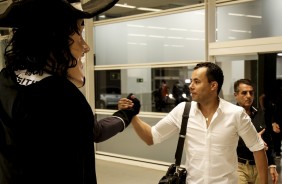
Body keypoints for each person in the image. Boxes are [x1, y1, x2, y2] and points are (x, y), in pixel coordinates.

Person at [0, 0, 138, 184]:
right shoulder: (63, 97)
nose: (86, 47)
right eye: (79, 32)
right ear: (54, 39)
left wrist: (124, 114)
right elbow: (93, 134)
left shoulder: (5, 80)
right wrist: (127, 114)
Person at [126, 62, 268, 183]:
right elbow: (151, 137)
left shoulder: (236, 114)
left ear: (213, 86)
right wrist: (132, 115)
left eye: (197, 82)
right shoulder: (183, 110)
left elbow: (258, 148)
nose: (191, 86)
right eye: (191, 81)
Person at [234, 79, 278, 184]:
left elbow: (268, 140)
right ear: (236, 95)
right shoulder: (231, 115)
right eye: (244, 93)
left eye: (251, 93)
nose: (248, 96)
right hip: (239, 166)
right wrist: (255, 141)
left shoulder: (261, 114)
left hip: (260, 166)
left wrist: (272, 165)